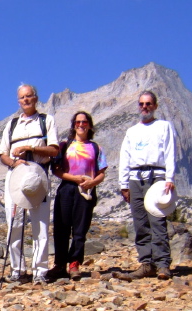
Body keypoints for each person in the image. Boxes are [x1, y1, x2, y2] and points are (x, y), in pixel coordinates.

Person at [0, 84, 59, 285]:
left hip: (38, 175)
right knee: (14, 224)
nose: (25, 100)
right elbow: (2, 154)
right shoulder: (11, 124)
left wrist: (30, 148)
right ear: (18, 100)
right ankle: (17, 269)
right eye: (22, 97)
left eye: (29, 96)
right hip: (15, 176)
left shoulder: (46, 121)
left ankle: (40, 270)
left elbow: (54, 150)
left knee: (40, 224)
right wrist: (14, 162)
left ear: (35, 98)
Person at [118, 90, 176, 280]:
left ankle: (162, 264)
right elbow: (124, 157)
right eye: (142, 104)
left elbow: (170, 152)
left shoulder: (164, 126)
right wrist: (123, 184)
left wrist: (170, 178)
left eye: (148, 104)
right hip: (136, 177)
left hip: (157, 176)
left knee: (157, 220)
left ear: (155, 106)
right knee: (140, 222)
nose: (145, 107)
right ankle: (146, 263)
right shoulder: (132, 131)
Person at [52, 111, 108, 281]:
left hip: (86, 189)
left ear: (89, 125)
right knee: (61, 227)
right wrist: (73, 178)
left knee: (80, 228)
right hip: (67, 187)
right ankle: (60, 263)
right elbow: (56, 170)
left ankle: (74, 262)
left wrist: (92, 183)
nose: (81, 125)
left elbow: (102, 172)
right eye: (77, 122)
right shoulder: (64, 145)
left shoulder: (96, 147)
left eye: (84, 122)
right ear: (73, 125)